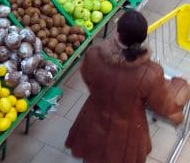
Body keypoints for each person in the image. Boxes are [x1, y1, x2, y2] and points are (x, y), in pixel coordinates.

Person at [65, 9, 190, 163]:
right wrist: (180, 86)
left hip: (92, 121)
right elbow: (161, 105)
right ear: (143, 38)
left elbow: (88, 79)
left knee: (93, 156)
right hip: (127, 134)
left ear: (118, 32)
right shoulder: (150, 73)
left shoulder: (93, 55)